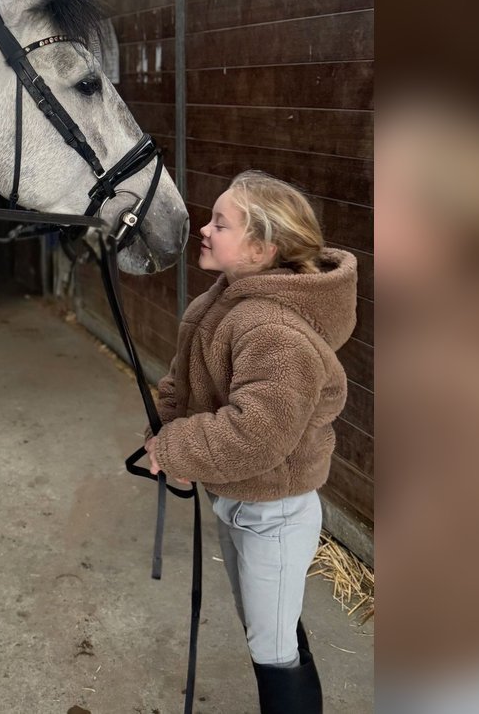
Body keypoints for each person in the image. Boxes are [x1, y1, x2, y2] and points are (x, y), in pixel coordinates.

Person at [144, 170, 357, 713]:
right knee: (265, 627)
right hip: (238, 501)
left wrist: (174, 449)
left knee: (271, 645)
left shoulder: (272, 331)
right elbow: (185, 377)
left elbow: (256, 432)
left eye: (221, 223)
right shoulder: (224, 299)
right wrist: (164, 425)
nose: (205, 230)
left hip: (274, 513)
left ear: (261, 249)